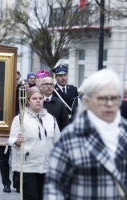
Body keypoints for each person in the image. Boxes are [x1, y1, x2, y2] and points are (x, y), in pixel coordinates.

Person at [44, 69, 127, 199]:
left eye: (114, 97)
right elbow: (54, 186)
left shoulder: (124, 132)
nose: (109, 104)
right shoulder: (71, 136)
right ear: (87, 101)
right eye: (102, 98)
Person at [8, 87, 60, 200]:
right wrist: (17, 141)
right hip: (27, 166)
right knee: (31, 197)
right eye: (34, 98)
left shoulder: (51, 119)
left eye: (40, 98)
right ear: (28, 100)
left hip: (46, 166)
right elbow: (11, 140)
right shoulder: (20, 118)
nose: (38, 101)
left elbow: (58, 141)